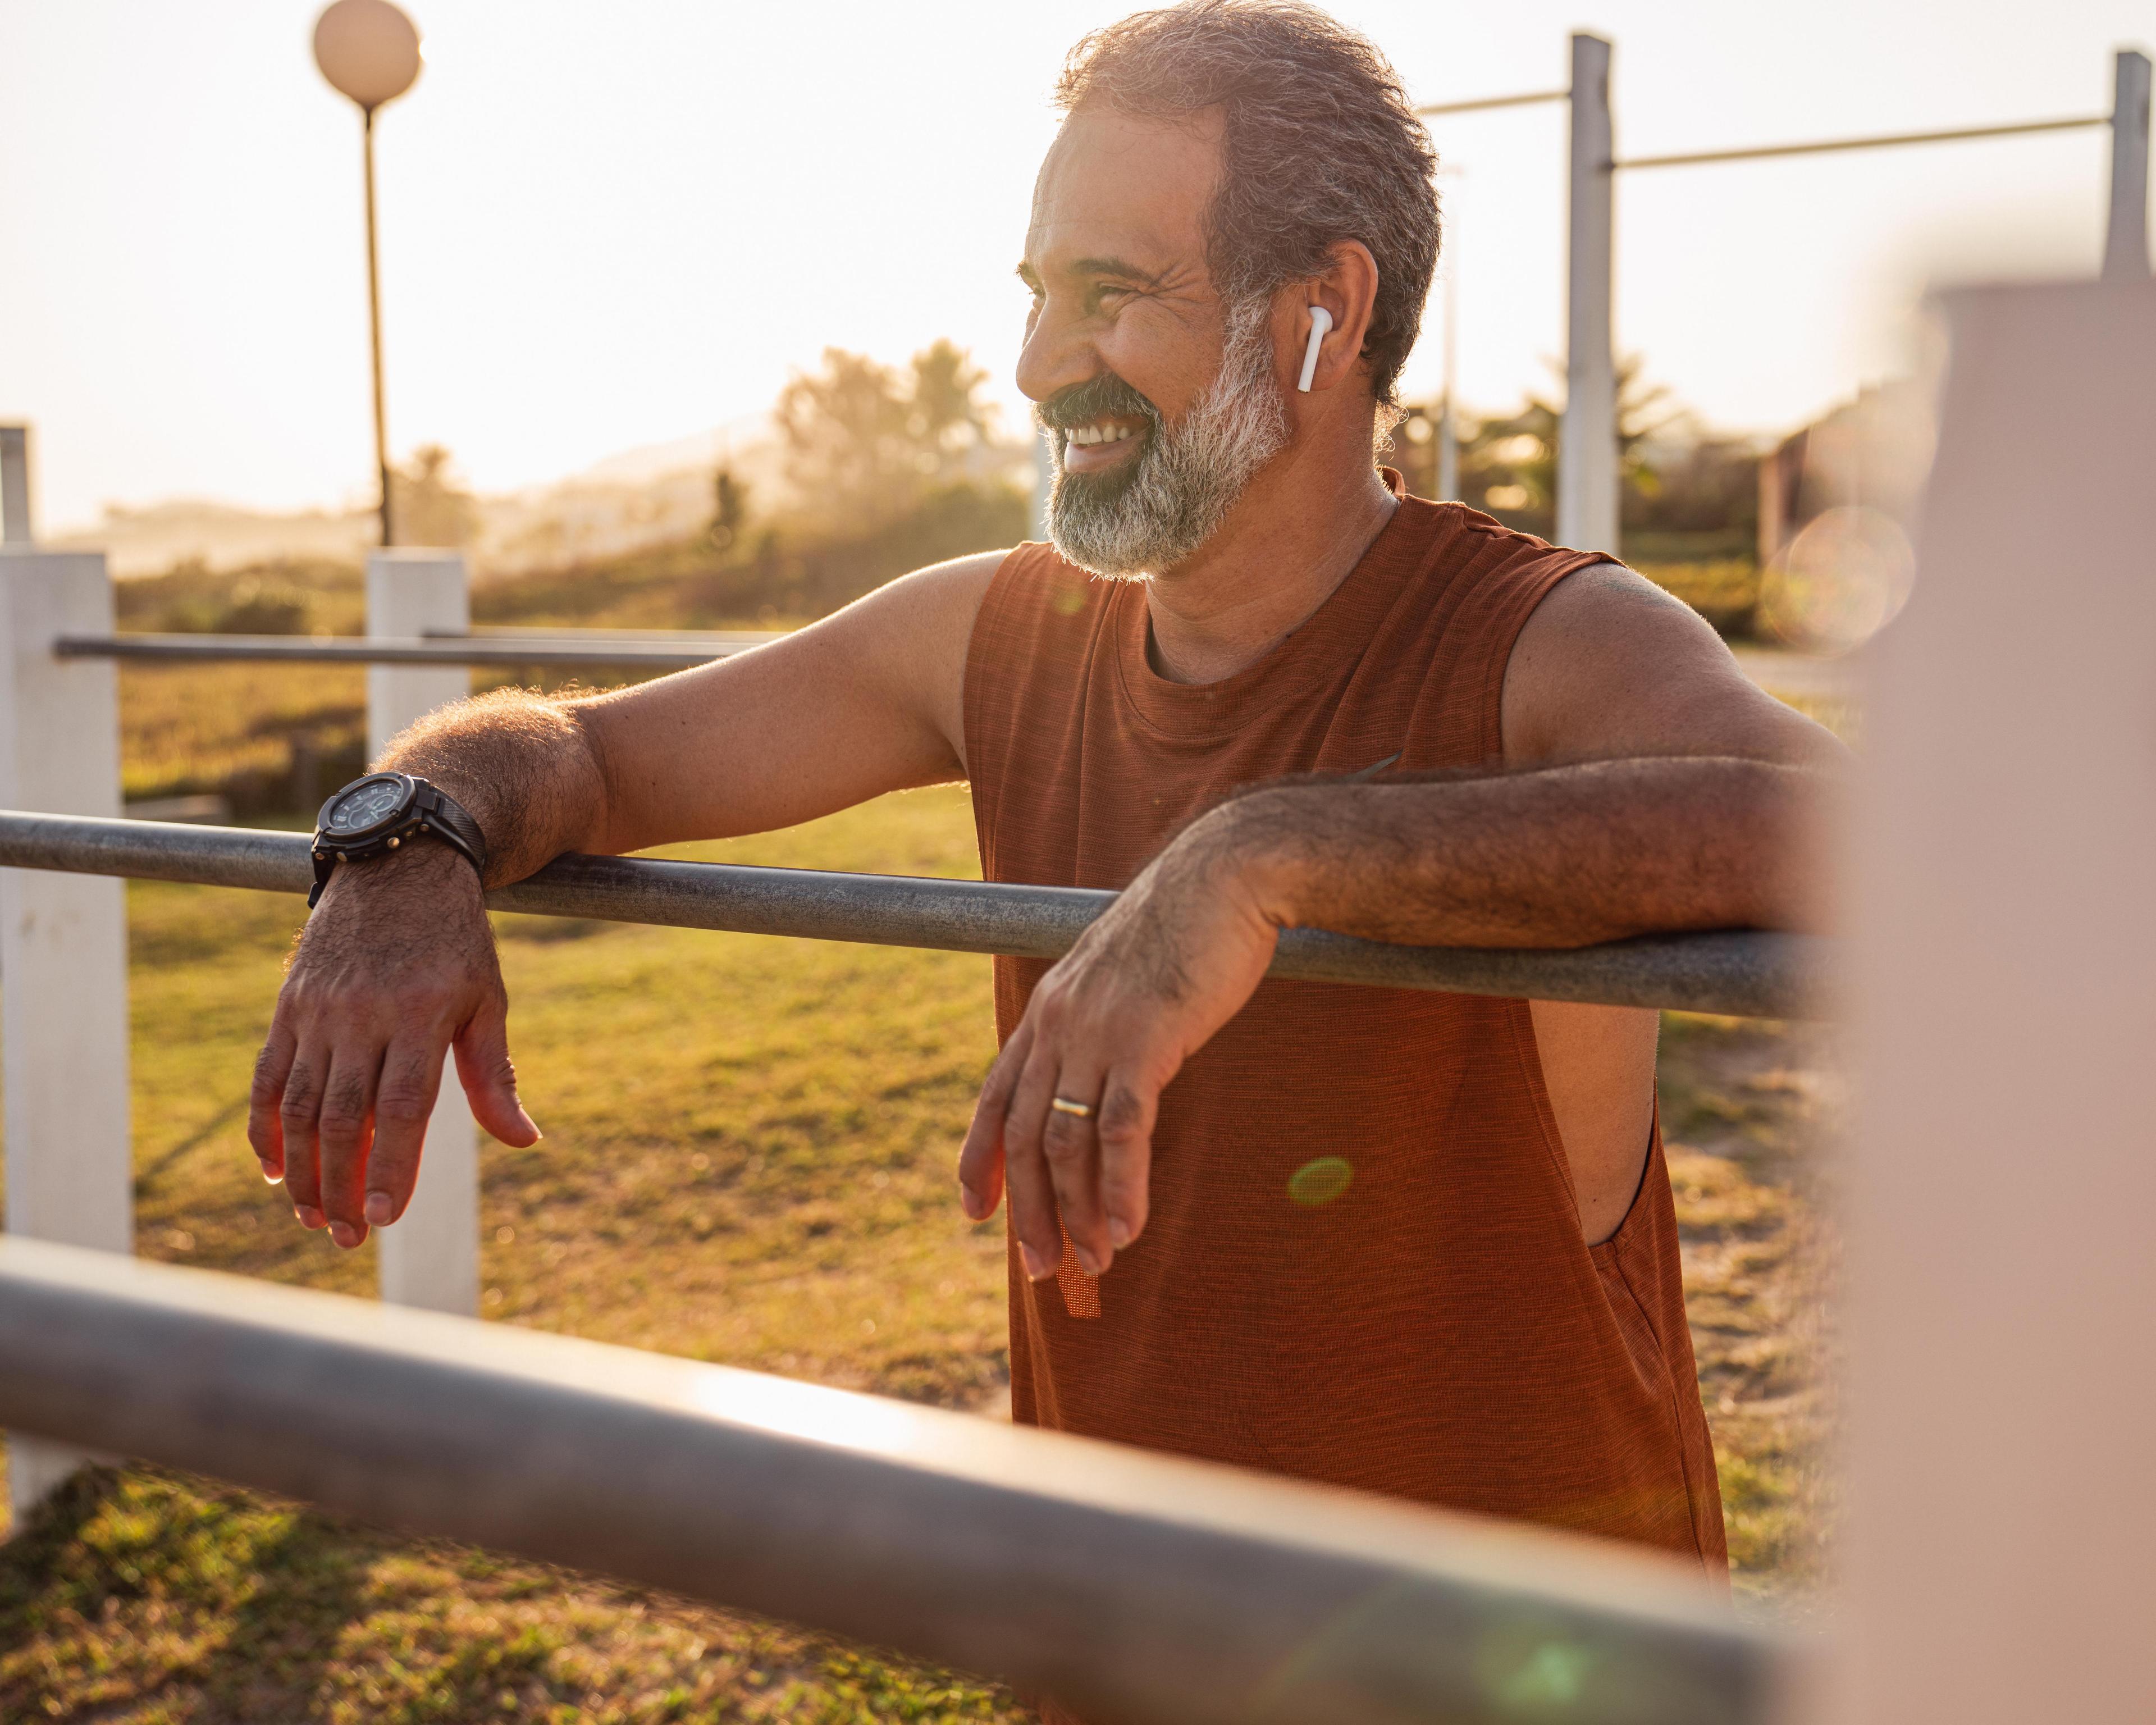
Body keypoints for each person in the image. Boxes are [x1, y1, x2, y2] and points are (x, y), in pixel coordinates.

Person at [250, 0, 1841, 1589]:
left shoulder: (1541, 639)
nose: (1033, 367)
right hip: (1116, 1632)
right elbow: (589, 756)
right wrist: (409, 839)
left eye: (1111, 295)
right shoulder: (998, 631)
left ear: (1323, 312)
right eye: (1035, 295)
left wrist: (1266, 858)